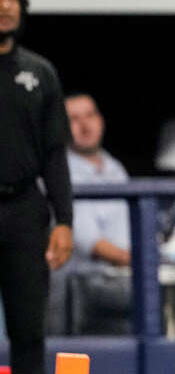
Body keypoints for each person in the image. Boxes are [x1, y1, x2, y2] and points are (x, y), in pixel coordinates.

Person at [0, 0, 73, 374]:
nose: (4, 5)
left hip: (25, 210)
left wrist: (64, 220)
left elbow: (55, 155)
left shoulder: (40, 73)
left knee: (29, 331)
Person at [51, 93, 132, 336]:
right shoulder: (59, 171)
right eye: (74, 119)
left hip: (120, 287)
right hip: (78, 292)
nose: (84, 125)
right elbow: (91, 244)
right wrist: (145, 263)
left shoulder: (115, 168)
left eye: (89, 115)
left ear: (101, 121)